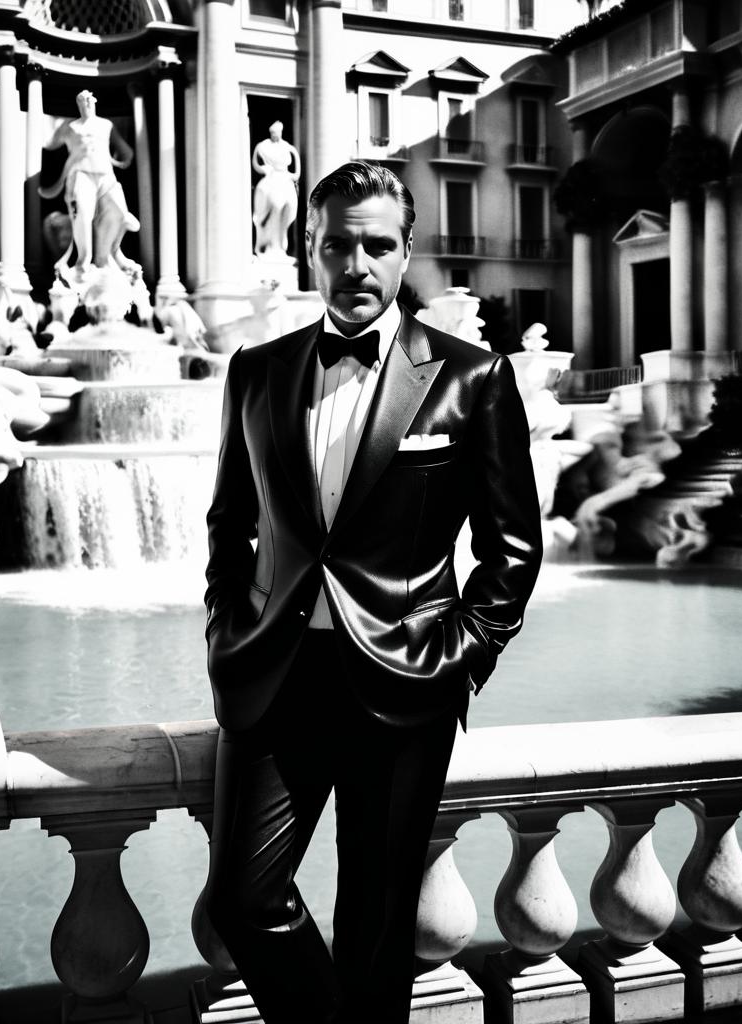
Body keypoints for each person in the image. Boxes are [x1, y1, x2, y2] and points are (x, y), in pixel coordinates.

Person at [203, 161, 543, 1023]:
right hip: (275, 679)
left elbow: (511, 548)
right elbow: (227, 527)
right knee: (246, 900)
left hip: (407, 684)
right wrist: (224, 628)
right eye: (337, 245)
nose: (356, 264)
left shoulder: (474, 377)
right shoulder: (256, 372)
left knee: (379, 927)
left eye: (376, 246)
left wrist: (460, 658)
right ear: (309, 251)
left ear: (406, 252)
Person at [40, 90, 140, 277]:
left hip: (105, 174)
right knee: (83, 215)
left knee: (120, 213)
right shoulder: (69, 127)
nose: (86, 103)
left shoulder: (106, 125)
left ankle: (108, 254)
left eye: (88, 100)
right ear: (78, 104)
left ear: (94, 102)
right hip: (80, 173)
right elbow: (48, 143)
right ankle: (83, 260)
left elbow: (125, 150)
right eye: (82, 100)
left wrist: (121, 160)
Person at [252, 120, 301, 256]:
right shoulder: (263, 146)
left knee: (289, 207)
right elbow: (256, 162)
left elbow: (297, 173)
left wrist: (291, 176)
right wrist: (264, 169)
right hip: (272, 179)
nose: (275, 135)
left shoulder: (287, 147)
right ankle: (272, 247)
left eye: (277, 132)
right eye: (273, 132)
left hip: (284, 180)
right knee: (275, 208)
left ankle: (281, 245)